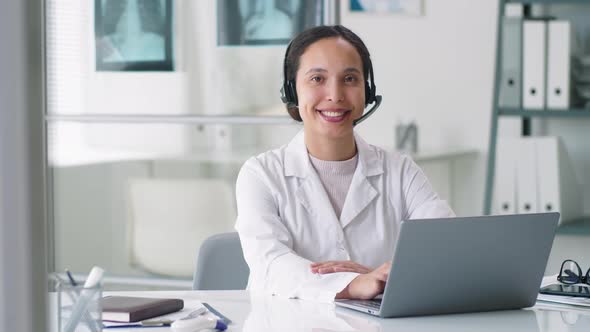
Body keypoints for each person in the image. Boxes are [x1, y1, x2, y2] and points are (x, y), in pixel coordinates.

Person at [235, 25, 454, 302]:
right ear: (293, 89)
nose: (335, 95)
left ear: (367, 89)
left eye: (350, 79)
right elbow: (272, 265)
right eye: (317, 78)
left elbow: (446, 251)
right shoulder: (261, 175)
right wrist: (354, 284)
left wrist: (377, 278)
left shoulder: (401, 172)